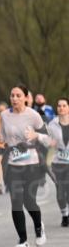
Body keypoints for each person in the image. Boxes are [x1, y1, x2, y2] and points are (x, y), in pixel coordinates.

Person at [0, 84, 51, 247]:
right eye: (12, 95)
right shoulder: (4, 115)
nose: (14, 98)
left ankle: (39, 227)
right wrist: (1, 140)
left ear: (26, 98)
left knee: (29, 201)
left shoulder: (33, 115)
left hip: (32, 164)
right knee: (16, 202)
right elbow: (3, 136)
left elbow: (47, 139)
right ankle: (22, 240)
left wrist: (36, 135)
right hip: (13, 165)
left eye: (18, 95)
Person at [49, 97, 69, 227]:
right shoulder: (52, 124)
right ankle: (64, 215)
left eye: (64, 105)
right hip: (58, 162)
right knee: (60, 190)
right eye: (59, 106)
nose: (61, 108)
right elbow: (46, 141)